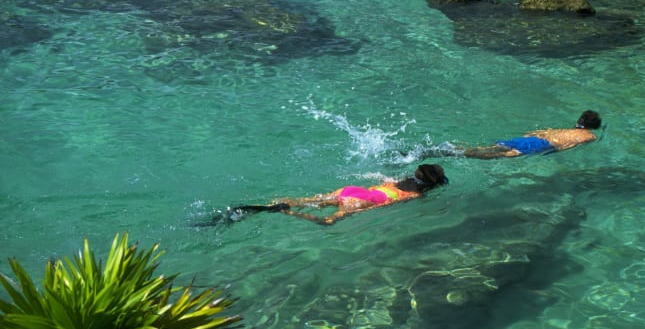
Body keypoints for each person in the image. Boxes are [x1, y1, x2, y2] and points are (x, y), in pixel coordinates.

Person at [209, 164, 448, 226]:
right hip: (364, 200)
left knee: (310, 201)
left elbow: (380, 183)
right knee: (327, 222)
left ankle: (271, 205)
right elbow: (381, 206)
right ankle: (286, 211)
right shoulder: (415, 197)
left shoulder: (395, 181)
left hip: (352, 190)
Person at [459, 110, 602, 159]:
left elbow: (539, 132)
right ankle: (457, 153)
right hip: (542, 145)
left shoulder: (565, 130)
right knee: (498, 155)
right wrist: (552, 151)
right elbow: (565, 146)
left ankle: (458, 149)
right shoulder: (589, 136)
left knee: (492, 148)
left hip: (533, 138)